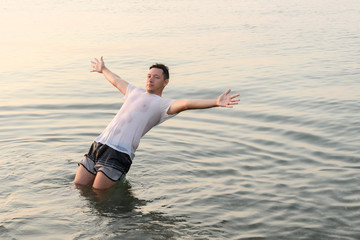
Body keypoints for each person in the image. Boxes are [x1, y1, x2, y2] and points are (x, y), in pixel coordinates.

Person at [74, 56, 240, 190]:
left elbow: (187, 103)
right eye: (148, 76)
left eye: (156, 77)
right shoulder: (134, 91)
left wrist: (215, 102)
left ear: (165, 82)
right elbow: (116, 80)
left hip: (119, 153)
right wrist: (103, 69)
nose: (150, 80)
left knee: (98, 196)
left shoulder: (163, 105)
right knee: (79, 187)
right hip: (99, 144)